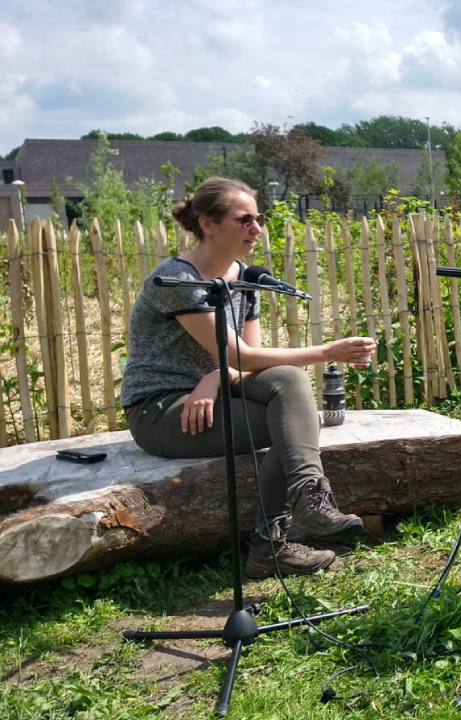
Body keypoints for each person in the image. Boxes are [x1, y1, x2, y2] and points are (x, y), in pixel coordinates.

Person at [120, 176, 376, 579]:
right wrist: (327, 352)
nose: (257, 229)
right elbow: (242, 354)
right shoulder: (176, 280)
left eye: (258, 219)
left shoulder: (245, 278)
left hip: (214, 393)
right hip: (160, 408)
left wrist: (213, 378)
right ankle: (271, 547)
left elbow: (247, 365)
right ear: (208, 224)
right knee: (290, 426)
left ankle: (310, 500)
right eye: (244, 220)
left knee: (289, 381)